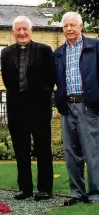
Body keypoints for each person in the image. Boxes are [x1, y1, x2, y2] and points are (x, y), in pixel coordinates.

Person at [1, 16, 54, 201]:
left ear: (31, 31)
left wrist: (40, 95)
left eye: (25, 29)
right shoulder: (5, 53)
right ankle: (25, 189)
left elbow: (51, 78)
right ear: (13, 31)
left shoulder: (45, 51)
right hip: (16, 110)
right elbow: (7, 81)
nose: (22, 33)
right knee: (21, 151)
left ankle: (45, 189)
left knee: (43, 149)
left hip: (39, 108)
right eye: (18, 29)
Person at [54, 12, 99, 206]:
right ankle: (77, 192)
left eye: (73, 25)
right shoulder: (59, 53)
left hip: (88, 106)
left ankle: (96, 193)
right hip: (66, 107)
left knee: (92, 152)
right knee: (71, 152)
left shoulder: (95, 47)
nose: (69, 29)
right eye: (65, 26)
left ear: (81, 26)